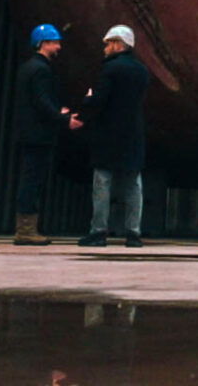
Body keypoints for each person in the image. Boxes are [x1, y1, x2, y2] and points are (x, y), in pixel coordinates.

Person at [78, 24, 150, 247]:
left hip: (108, 134)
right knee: (133, 184)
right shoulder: (142, 71)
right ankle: (133, 233)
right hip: (133, 133)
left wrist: (88, 99)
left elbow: (100, 101)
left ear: (118, 44)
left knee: (102, 182)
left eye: (108, 43)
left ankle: (99, 232)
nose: (105, 48)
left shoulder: (109, 69)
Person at [13, 23, 81, 245]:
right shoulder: (41, 69)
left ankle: (26, 228)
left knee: (30, 178)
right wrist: (63, 119)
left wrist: (56, 111)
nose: (59, 46)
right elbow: (42, 102)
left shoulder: (28, 67)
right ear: (43, 44)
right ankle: (25, 231)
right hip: (38, 134)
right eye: (55, 42)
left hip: (29, 132)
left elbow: (36, 101)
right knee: (32, 180)